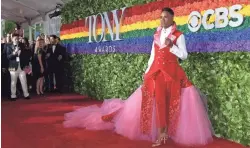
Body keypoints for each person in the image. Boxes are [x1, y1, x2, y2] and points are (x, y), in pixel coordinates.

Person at [63, 8, 213, 147]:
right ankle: (161, 134)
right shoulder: (156, 34)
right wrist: (147, 70)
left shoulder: (179, 35)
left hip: (172, 73)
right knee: (158, 101)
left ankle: (170, 131)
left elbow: (184, 56)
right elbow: (152, 55)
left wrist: (171, 46)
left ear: (173, 18)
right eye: (161, 17)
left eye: (165, 17)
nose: (162, 20)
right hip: (156, 73)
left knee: (172, 102)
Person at [6, 34, 30, 100]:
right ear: (12, 39)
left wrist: (27, 67)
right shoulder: (8, 46)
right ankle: (13, 96)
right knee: (13, 82)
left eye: (17, 38)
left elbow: (25, 56)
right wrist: (14, 53)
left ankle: (26, 94)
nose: (17, 40)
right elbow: (8, 57)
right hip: (12, 67)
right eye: (15, 39)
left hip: (22, 66)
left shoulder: (22, 45)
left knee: (24, 81)